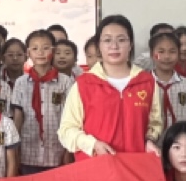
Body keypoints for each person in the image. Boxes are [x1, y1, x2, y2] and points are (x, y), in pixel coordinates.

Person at [58, 15, 163, 160]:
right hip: (96, 167)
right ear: (99, 46)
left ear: (130, 45)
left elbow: (155, 123)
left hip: (135, 165)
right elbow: (66, 131)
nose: (114, 46)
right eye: (107, 40)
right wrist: (92, 144)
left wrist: (149, 140)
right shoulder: (84, 84)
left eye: (121, 40)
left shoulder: (147, 82)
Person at [12, 30, 73, 175]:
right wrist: (15, 150)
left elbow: (70, 118)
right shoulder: (21, 82)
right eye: (35, 48)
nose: (40, 52)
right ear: (28, 53)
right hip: (28, 152)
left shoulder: (65, 82)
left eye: (45, 48)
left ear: (53, 51)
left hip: (57, 151)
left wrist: (68, 150)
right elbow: (18, 118)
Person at [149, 31, 186, 136]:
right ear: (151, 54)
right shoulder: (143, 84)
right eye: (161, 51)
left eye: (172, 51)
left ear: (178, 54)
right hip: (150, 141)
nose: (167, 56)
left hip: (179, 140)